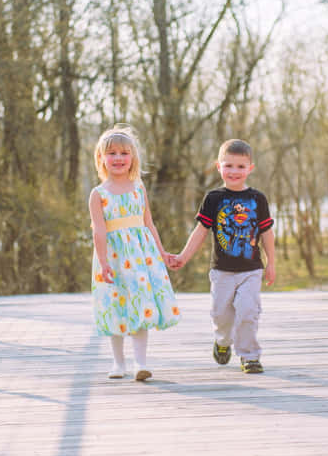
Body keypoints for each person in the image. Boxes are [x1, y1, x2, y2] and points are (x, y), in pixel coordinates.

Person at [170, 139, 275, 374]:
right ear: (219, 167)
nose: (234, 171)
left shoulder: (258, 199)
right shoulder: (214, 198)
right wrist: (183, 256)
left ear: (250, 168)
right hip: (222, 271)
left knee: (248, 311)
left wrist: (271, 263)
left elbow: (267, 233)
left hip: (251, 270)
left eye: (240, 166)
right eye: (228, 165)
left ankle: (249, 356)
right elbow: (200, 231)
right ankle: (223, 341)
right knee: (221, 315)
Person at [88, 125, 181, 381]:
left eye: (124, 153)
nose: (118, 158)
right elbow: (99, 231)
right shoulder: (98, 194)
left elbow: (149, 223)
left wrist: (162, 253)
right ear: (101, 158)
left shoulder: (138, 188)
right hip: (113, 257)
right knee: (116, 304)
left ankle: (141, 363)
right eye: (112, 153)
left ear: (133, 157)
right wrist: (103, 262)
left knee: (142, 304)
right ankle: (118, 363)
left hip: (141, 257)